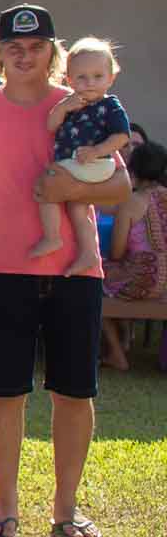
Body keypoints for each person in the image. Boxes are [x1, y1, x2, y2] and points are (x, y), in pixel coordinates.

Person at [0, 5, 129, 537]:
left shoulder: (80, 101)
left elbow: (119, 186)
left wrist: (68, 189)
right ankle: (5, 504)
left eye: (36, 47)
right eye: (14, 47)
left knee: (74, 392)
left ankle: (66, 507)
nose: (25, 56)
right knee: (5, 390)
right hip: (6, 267)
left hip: (77, 270)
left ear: (54, 53)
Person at [30, 36, 130, 276]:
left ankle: (52, 237)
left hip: (95, 163)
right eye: (82, 77)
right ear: (69, 80)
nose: (90, 83)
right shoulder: (71, 102)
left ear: (111, 78)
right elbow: (51, 125)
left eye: (98, 76)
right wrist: (64, 107)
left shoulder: (109, 106)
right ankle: (88, 252)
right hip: (77, 163)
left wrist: (97, 151)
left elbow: (121, 137)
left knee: (47, 186)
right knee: (77, 207)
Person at [103, 141, 167, 371]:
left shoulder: (131, 202)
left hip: (145, 283)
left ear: (134, 170)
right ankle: (126, 338)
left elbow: (117, 253)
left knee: (91, 279)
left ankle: (117, 352)